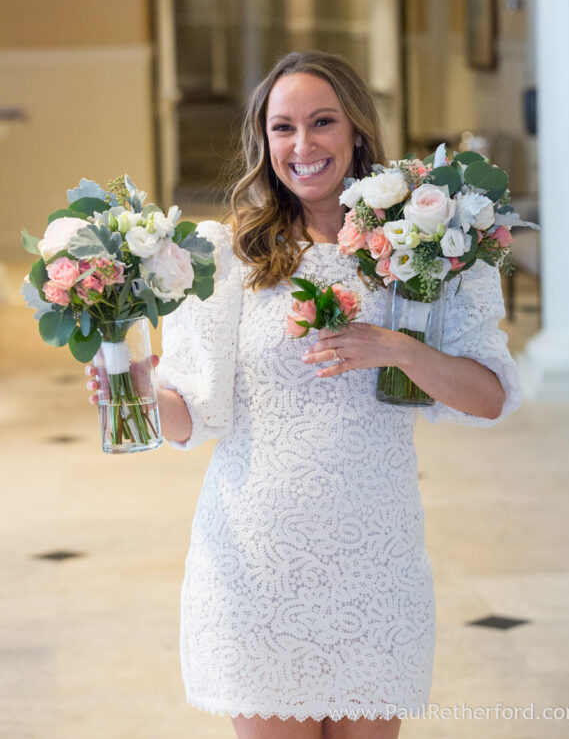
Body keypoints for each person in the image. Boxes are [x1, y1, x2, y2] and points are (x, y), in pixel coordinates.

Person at [85, 50, 521, 739]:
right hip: (257, 562)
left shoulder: (422, 253)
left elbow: (490, 397)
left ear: (356, 133)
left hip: (375, 561)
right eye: (282, 127)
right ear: (265, 142)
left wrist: (396, 348)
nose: (302, 145)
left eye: (322, 122)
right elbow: (190, 418)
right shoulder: (225, 258)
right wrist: (138, 388)